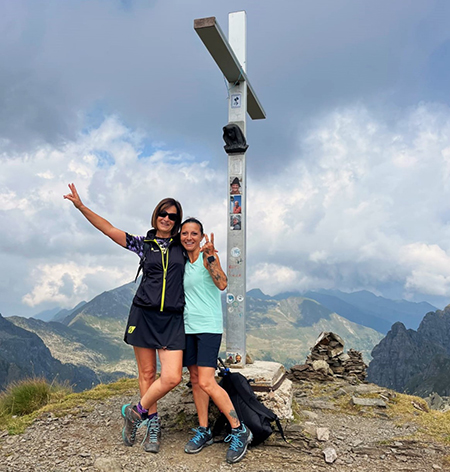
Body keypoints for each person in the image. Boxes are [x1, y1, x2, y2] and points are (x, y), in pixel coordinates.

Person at [63, 183, 185, 454]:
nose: (167, 218)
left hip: (172, 318)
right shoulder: (144, 244)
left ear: (177, 222)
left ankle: (135, 412)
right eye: (163, 213)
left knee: (173, 376)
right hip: (143, 314)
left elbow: (202, 260)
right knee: (147, 373)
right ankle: (153, 425)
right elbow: (108, 229)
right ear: (156, 216)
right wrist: (81, 207)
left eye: (173, 216)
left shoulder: (182, 247)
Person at [179, 218, 253, 464]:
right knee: (196, 380)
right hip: (187, 328)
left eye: (194, 233)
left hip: (208, 328)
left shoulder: (206, 258)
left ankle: (239, 429)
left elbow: (223, 284)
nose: (189, 237)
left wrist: (210, 258)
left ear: (201, 237)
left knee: (208, 382)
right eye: (185, 233)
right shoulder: (181, 261)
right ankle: (204, 430)